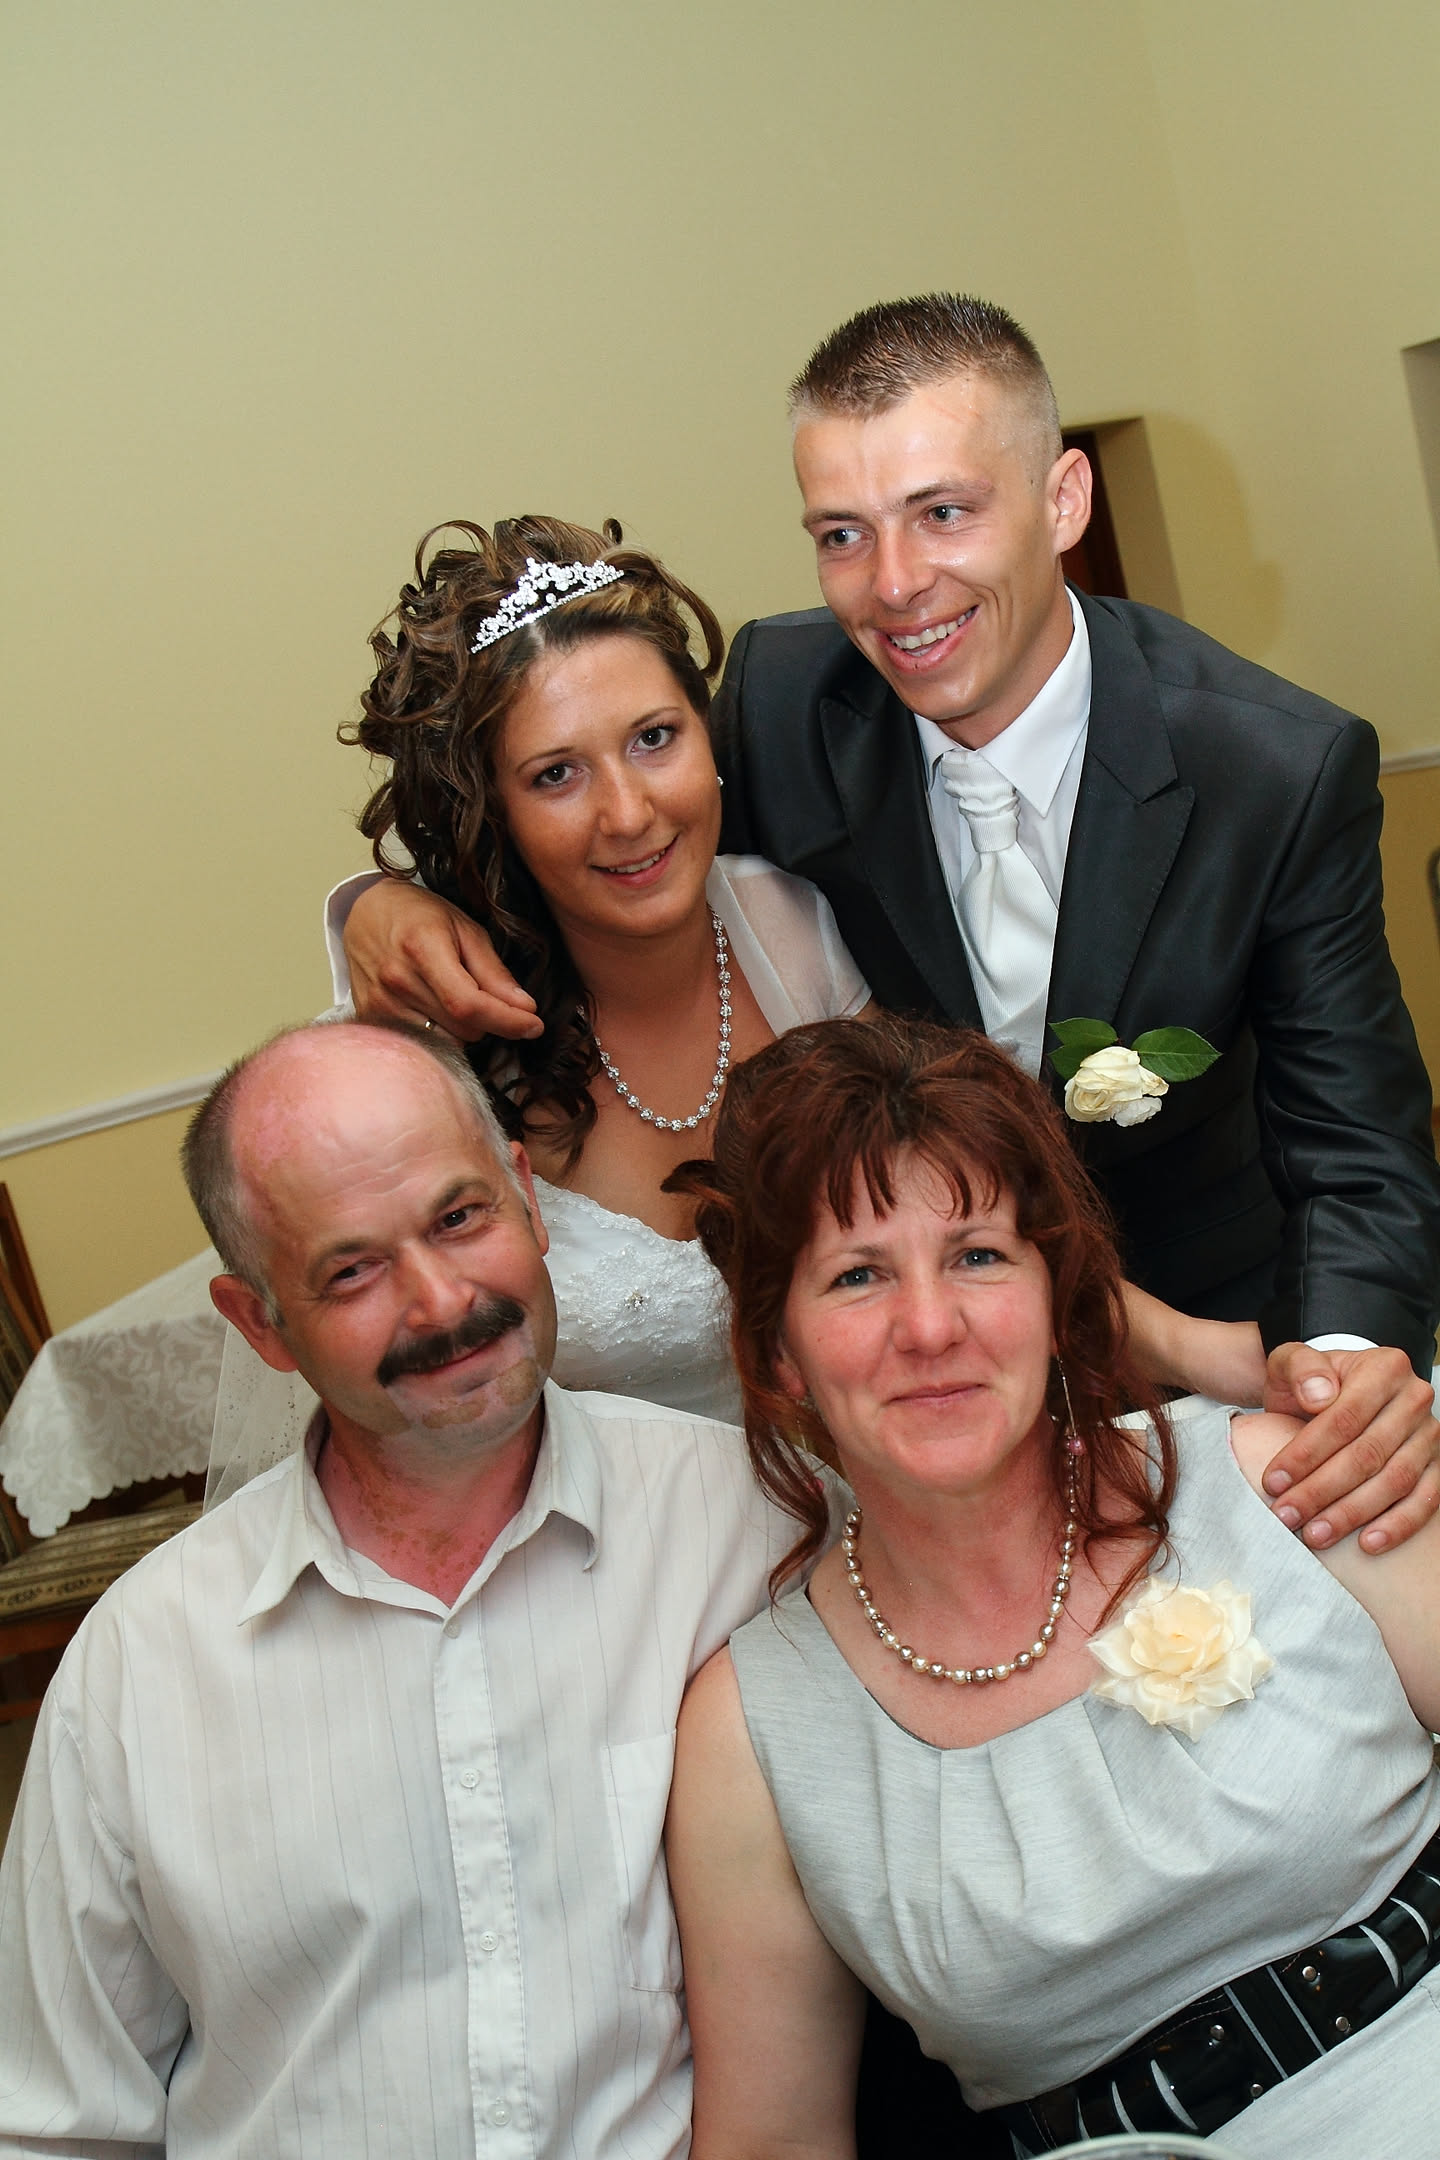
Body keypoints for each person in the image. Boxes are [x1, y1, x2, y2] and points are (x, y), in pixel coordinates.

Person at [335, 299, 1440, 1544]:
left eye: (944, 512)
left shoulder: (1275, 770)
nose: (899, 586)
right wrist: (382, 900)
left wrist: (1343, 1374)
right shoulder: (781, 700)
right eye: (843, 535)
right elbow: (588, 816)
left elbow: (1357, 1146)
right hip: (883, 1417)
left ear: (1064, 500)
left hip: (1211, 1355)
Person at [0, 1019, 796, 2158]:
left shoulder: (747, 1528)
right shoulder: (141, 1667)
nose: (440, 1302)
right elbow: (53, 2124)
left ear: (526, 1197)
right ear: (260, 1324)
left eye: (460, 1218)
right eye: (352, 1271)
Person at [665, 1015, 1440, 2160]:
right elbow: (773, 2142)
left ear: (1055, 1288)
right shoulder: (751, 1735)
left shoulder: (1287, 1480)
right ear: (778, 1350)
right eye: (857, 1275)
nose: (930, 1327)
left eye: (978, 1256)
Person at [309, 514, 1268, 1432]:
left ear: (709, 736)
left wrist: (1210, 1353)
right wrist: (371, 901)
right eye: (556, 774)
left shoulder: (791, 923)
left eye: (655, 738)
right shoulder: (432, 1026)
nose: (630, 813)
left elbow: (960, 1209)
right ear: (495, 812)